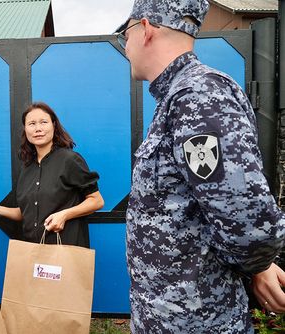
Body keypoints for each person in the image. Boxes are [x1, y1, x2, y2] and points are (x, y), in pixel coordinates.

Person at [116, 0, 285, 332]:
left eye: (126, 35)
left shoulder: (199, 96)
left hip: (197, 321)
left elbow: (250, 225)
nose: (126, 47)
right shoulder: (178, 97)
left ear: (146, 29)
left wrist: (259, 264)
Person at [0, 102, 104, 246]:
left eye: (43, 122)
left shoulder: (69, 160)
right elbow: (26, 213)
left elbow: (96, 201)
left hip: (65, 249)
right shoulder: (27, 167)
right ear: (25, 129)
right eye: (32, 124)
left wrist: (64, 215)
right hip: (34, 250)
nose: (38, 129)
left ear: (54, 125)